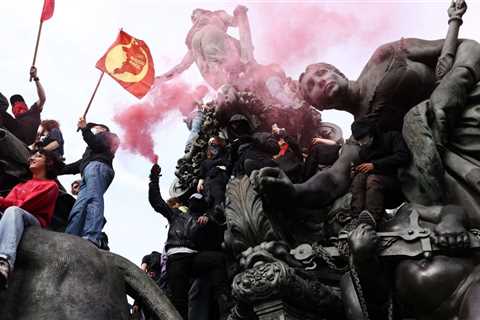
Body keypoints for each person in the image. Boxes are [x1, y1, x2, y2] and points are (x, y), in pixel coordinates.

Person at [149, 164, 230, 320]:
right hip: (176, 257)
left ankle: (225, 305)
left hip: (193, 258)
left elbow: (217, 233)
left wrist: (210, 221)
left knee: (217, 260)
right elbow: (156, 201)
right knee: (179, 302)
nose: (195, 201)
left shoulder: (205, 219)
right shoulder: (175, 214)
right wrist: (154, 178)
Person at [0, 149, 61, 289]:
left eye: (38, 156)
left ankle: (4, 261)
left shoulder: (51, 186)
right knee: (11, 211)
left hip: (32, 220)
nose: (32, 158)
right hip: (12, 214)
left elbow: (24, 206)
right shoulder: (20, 186)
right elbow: (6, 206)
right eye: (32, 156)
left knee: (14, 211)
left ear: (49, 163)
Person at [61, 117, 119, 248]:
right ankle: (71, 236)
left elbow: (96, 144)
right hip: (89, 170)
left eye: (95, 127)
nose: (93, 129)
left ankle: (91, 235)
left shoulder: (108, 137)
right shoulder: (90, 151)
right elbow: (78, 165)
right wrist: (55, 168)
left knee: (93, 198)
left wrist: (84, 129)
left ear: (103, 129)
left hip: (98, 167)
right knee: (79, 207)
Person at [349, 118, 410, 226]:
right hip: (373, 193)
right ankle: (356, 218)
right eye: (358, 141)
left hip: (395, 186)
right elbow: (364, 173)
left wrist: (375, 165)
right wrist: (357, 171)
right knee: (359, 178)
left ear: (371, 132)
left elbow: (403, 156)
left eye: (363, 139)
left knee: (373, 179)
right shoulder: (363, 152)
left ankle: (372, 219)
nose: (361, 143)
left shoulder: (392, 137)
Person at [1, 66, 46, 145]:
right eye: (14, 106)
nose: (17, 108)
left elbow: (42, 98)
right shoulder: (15, 120)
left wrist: (36, 78)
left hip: (24, 138)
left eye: (19, 104)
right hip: (13, 136)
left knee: (4, 104)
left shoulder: (33, 111)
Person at [197, 136, 230, 222]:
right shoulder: (205, 162)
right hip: (208, 180)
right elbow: (202, 174)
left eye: (214, 141)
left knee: (217, 189)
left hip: (221, 175)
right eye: (210, 143)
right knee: (207, 197)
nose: (212, 144)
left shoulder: (224, 153)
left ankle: (219, 207)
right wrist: (200, 182)